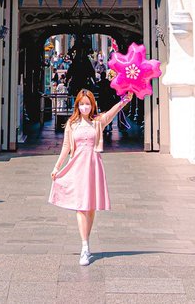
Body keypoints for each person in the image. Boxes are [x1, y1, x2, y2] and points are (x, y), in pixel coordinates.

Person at [49, 87, 132, 265]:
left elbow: (111, 114)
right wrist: (56, 167)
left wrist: (125, 100)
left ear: (92, 105)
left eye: (88, 104)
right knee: (81, 206)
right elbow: (65, 147)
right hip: (77, 166)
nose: (85, 107)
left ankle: (86, 240)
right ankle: (84, 246)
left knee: (90, 207)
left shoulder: (97, 122)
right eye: (82, 104)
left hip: (94, 166)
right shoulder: (72, 124)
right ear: (77, 105)